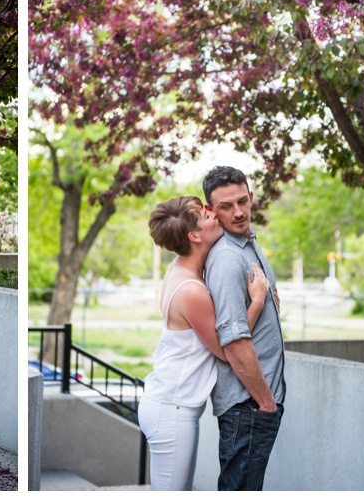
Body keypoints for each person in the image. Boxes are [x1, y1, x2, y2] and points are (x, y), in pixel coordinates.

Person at [138, 196, 269, 490]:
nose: (213, 214)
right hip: (171, 410)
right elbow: (227, 351)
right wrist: (257, 302)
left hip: (168, 404)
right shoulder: (191, 290)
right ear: (194, 235)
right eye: (206, 215)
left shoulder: (181, 268)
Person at [202, 166, 286, 491]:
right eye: (226, 206)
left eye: (242, 201)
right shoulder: (226, 259)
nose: (238, 212)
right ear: (210, 210)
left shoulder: (247, 242)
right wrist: (266, 402)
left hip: (255, 404)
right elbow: (234, 343)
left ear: (251, 198)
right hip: (248, 406)